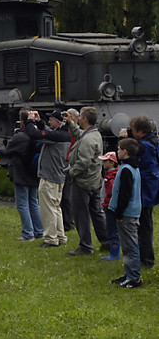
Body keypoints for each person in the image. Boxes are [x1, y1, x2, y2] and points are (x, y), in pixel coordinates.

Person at [24, 110, 71, 248]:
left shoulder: (57, 136)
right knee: (56, 207)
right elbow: (48, 132)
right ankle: (60, 235)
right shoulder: (64, 134)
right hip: (59, 176)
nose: (49, 122)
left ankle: (51, 238)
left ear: (57, 122)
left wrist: (30, 121)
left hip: (49, 177)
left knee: (48, 208)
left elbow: (34, 134)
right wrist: (40, 122)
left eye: (50, 120)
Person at [67, 106, 109, 255]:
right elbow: (80, 135)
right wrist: (71, 124)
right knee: (96, 212)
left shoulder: (88, 139)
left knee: (81, 214)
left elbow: (83, 162)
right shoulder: (94, 134)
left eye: (80, 117)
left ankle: (85, 246)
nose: (78, 119)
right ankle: (107, 241)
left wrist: (72, 172)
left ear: (84, 119)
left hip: (83, 182)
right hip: (94, 181)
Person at [120, 115, 159, 268]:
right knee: (146, 223)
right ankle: (146, 257)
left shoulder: (144, 146)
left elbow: (129, 153)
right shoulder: (154, 141)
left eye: (134, 130)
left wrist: (122, 138)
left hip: (144, 188)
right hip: (152, 185)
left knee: (143, 225)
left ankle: (146, 259)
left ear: (141, 131)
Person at [3, 109, 43, 242]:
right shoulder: (37, 136)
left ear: (22, 122)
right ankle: (39, 230)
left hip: (21, 173)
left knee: (22, 204)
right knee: (34, 202)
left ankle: (28, 233)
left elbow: (7, 151)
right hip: (33, 173)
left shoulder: (19, 137)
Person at [109, 138, 142, 288]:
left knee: (130, 246)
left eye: (119, 149)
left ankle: (134, 277)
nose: (117, 151)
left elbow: (125, 193)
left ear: (125, 152)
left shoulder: (127, 170)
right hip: (131, 211)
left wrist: (119, 213)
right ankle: (129, 273)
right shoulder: (131, 167)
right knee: (127, 245)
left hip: (127, 213)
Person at [99, 151, 120, 261]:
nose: (103, 163)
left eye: (105, 161)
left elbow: (111, 192)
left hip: (110, 207)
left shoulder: (111, 177)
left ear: (112, 163)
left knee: (112, 231)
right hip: (111, 206)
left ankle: (114, 254)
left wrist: (105, 203)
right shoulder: (115, 174)